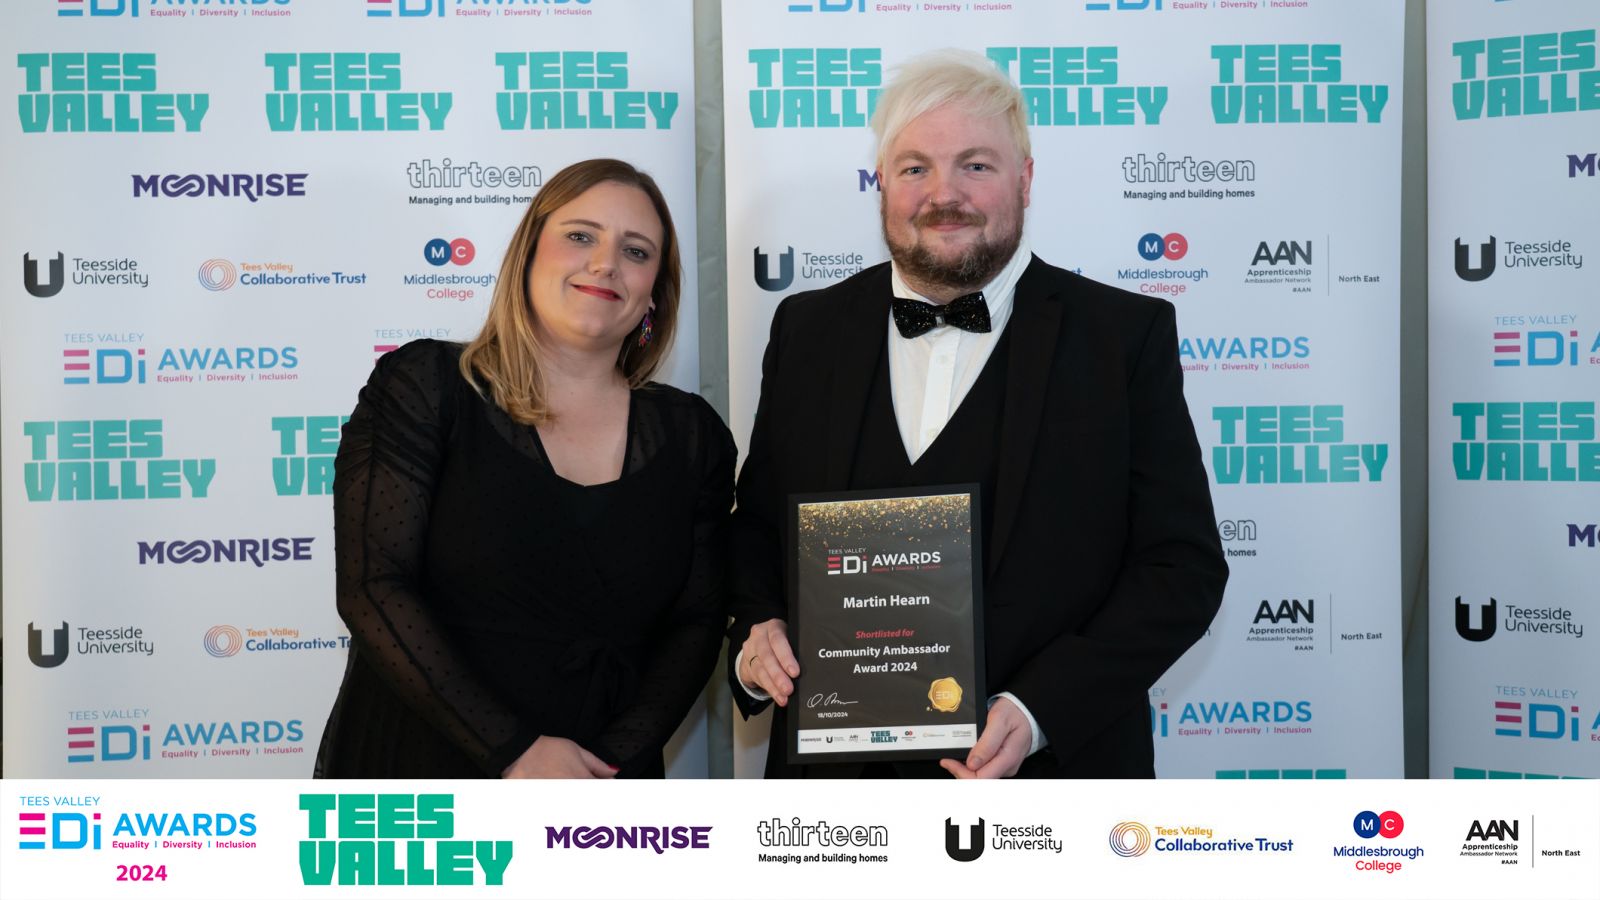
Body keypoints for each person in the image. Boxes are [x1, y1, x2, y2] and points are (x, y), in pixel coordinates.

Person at [728, 50, 1227, 779]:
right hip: (834, 803)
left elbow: (1180, 567)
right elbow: (758, 528)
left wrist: (1038, 711)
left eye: (976, 166)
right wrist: (757, 630)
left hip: (1052, 790)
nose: (944, 194)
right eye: (914, 168)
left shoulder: (1123, 337)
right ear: (881, 186)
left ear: (1025, 180)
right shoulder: (807, 330)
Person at [315, 159, 735, 779]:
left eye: (636, 250)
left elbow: (696, 624)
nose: (605, 263)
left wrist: (610, 765)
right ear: (528, 252)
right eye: (580, 236)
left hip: (603, 786)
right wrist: (515, 752)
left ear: (655, 293)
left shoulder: (693, 434)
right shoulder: (427, 387)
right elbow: (374, 587)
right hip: (427, 768)